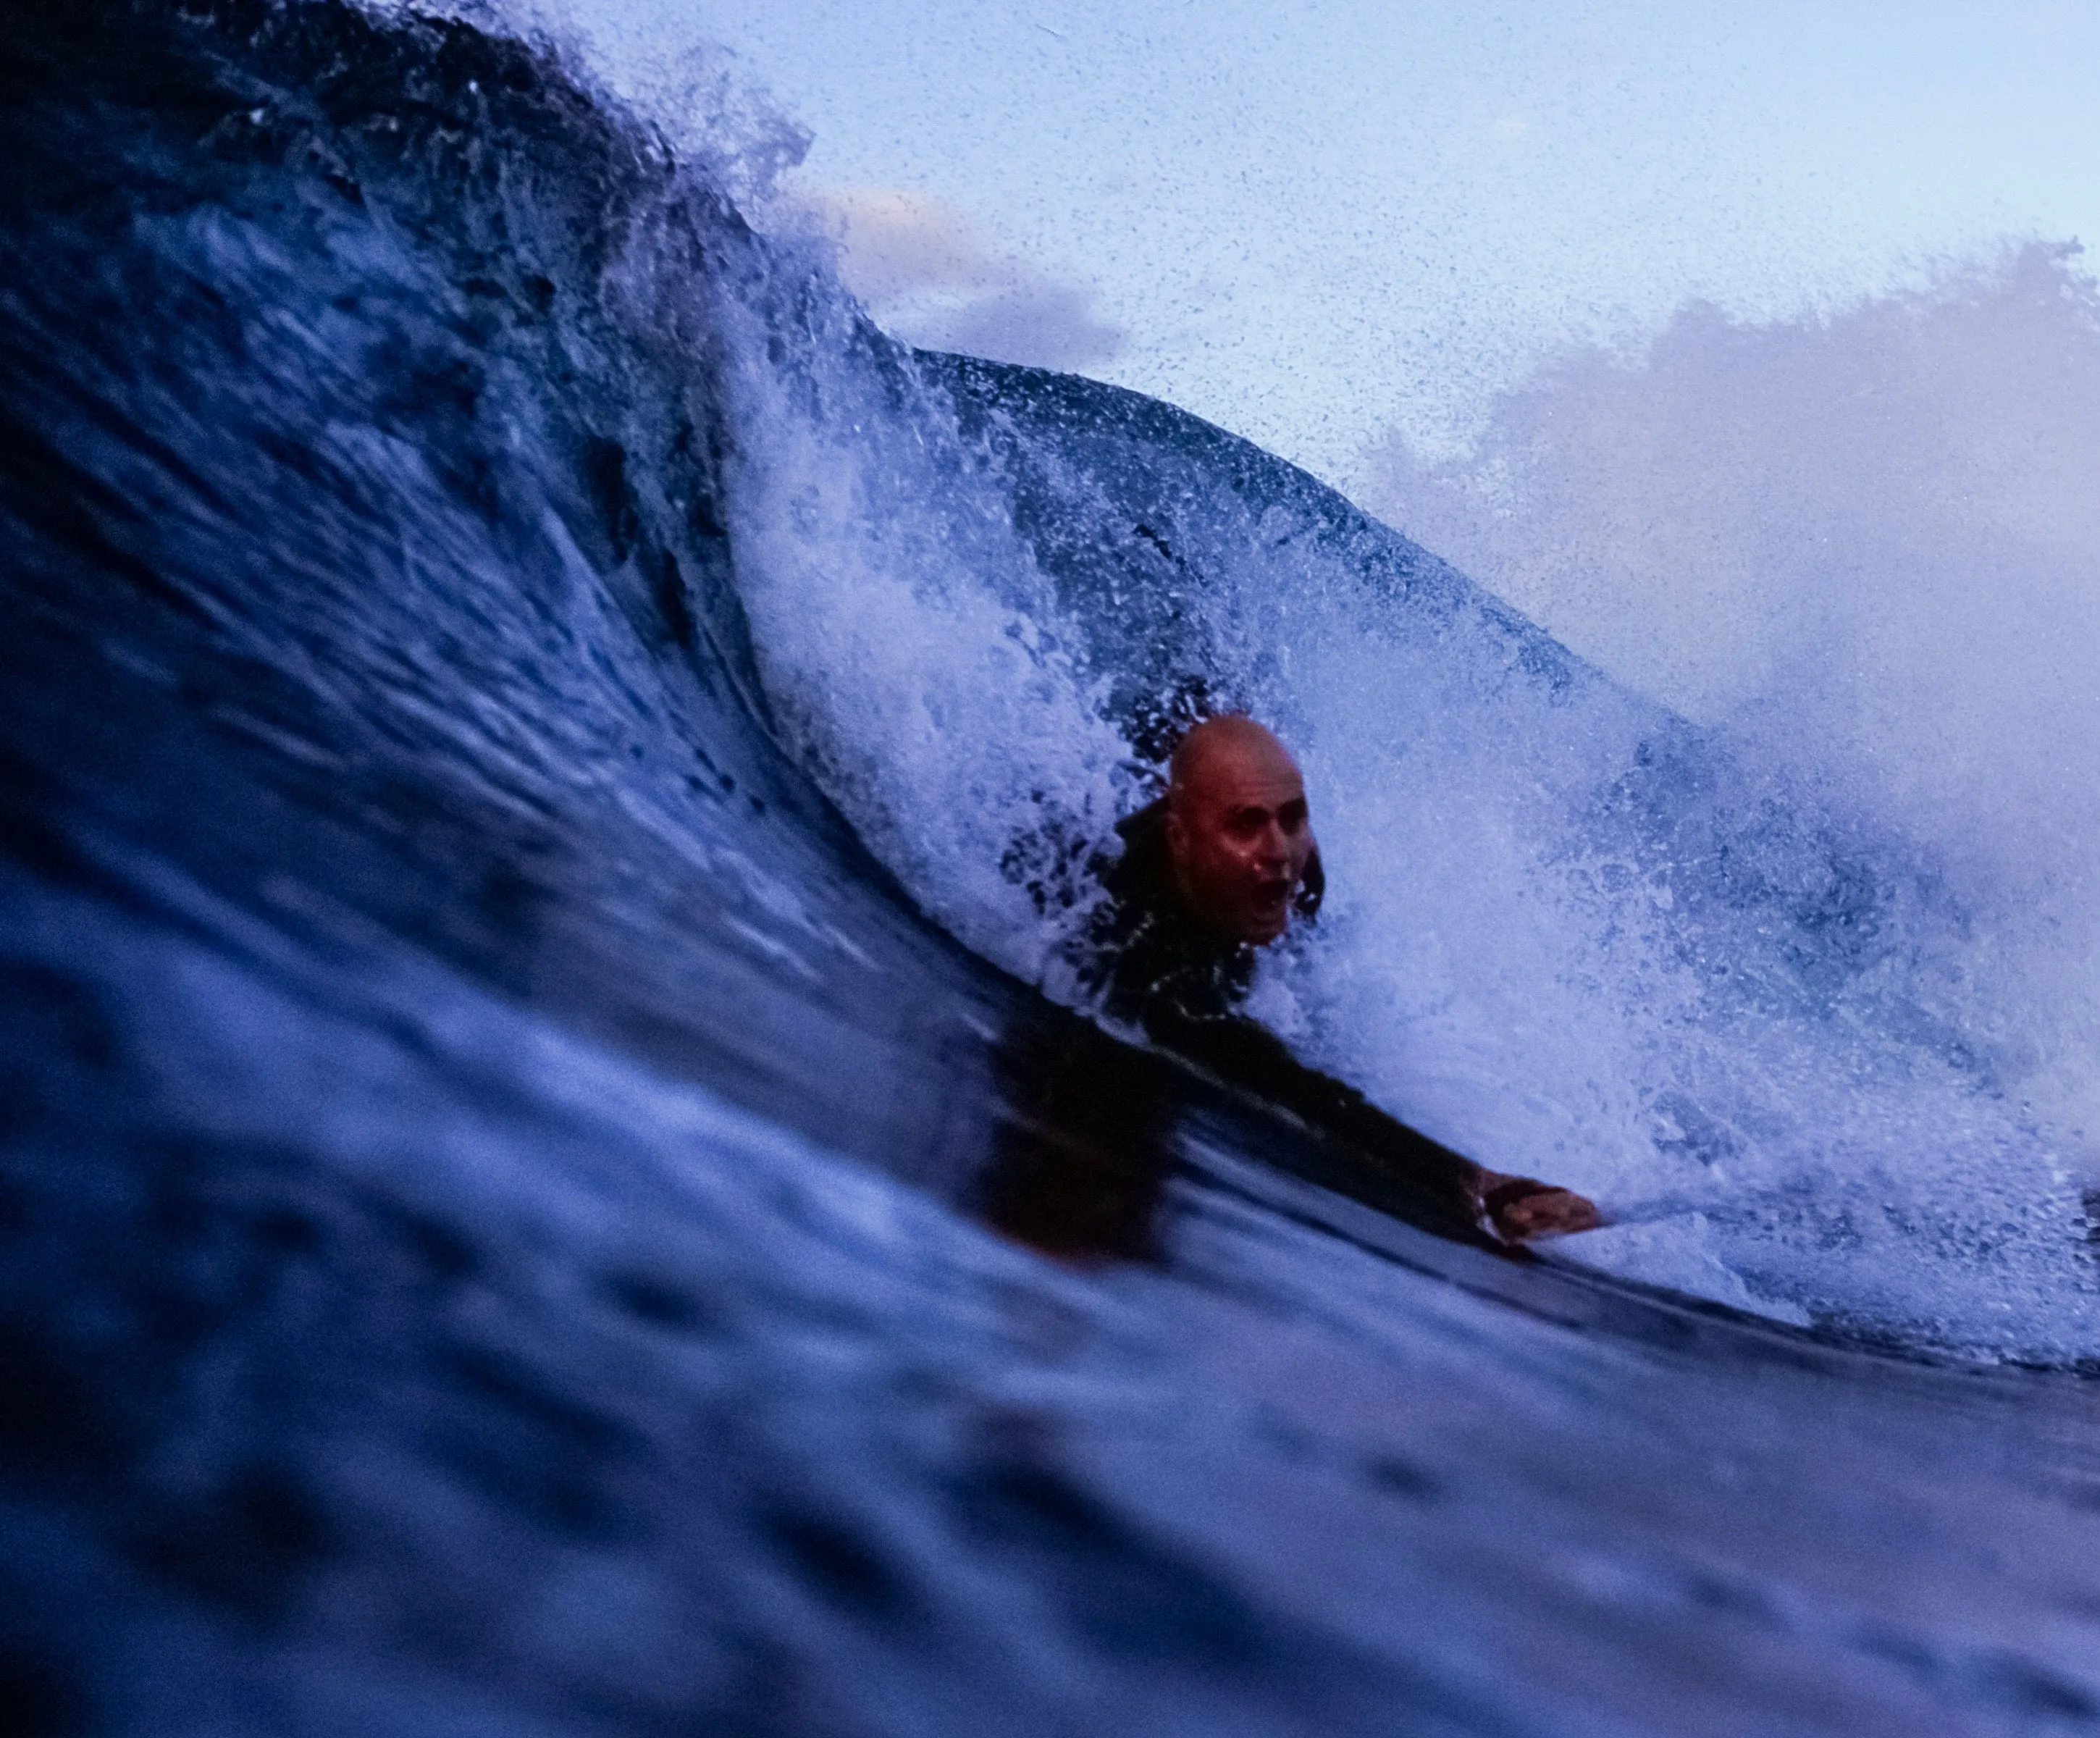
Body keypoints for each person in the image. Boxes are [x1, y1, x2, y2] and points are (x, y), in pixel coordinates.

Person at [1087, 713, 1600, 1246]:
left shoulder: (1293, 864)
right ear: (1180, 838)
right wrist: (1477, 1183)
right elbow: (1287, 1084)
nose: (1279, 853)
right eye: (1246, 824)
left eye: (1293, 818)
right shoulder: (1143, 949)